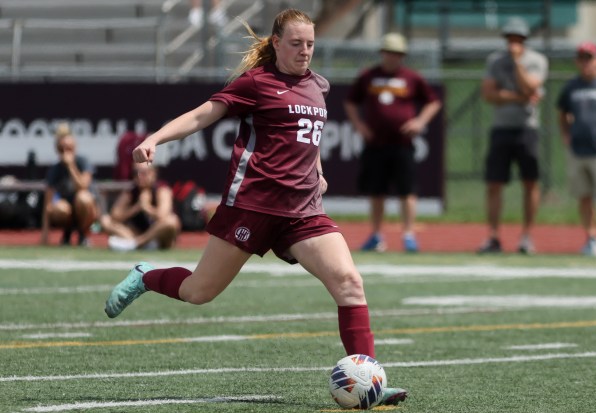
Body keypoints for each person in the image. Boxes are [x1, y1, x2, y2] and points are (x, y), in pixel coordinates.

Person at [104, 9, 407, 406]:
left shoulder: (319, 85)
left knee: (349, 283)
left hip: (303, 211)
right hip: (252, 206)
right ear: (276, 43)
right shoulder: (257, 83)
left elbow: (305, 139)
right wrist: (156, 139)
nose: (304, 52)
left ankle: (370, 381)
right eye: (296, 44)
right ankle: (146, 275)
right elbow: (201, 115)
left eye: (311, 44)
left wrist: (318, 169)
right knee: (199, 291)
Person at [344, 32, 442, 252]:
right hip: (375, 144)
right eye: (389, 52)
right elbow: (351, 101)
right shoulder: (368, 76)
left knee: (407, 191)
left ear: (402, 55)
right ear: (382, 53)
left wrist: (419, 122)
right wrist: (359, 125)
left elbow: (433, 102)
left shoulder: (411, 78)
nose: (392, 57)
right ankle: (377, 235)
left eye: (397, 53)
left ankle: (408, 235)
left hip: (402, 145)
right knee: (376, 191)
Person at [478, 17, 548, 254]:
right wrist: (519, 98)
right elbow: (489, 94)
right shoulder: (495, 61)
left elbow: (531, 87)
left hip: (527, 128)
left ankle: (527, 236)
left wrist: (518, 63)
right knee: (494, 183)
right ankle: (493, 236)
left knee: (530, 182)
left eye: (517, 39)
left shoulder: (536, 60)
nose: (512, 43)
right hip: (501, 128)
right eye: (509, 38)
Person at [557, 41, 596, 256]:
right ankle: (592, 239)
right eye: (582, 58)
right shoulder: (572, 86)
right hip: (578, 150)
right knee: (584, 197)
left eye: (589, 58)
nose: (586, 63)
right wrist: (565, 133)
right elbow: (562, 112)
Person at [40, 123, 99, 246]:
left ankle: (84, 235)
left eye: (69, 148)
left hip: (87, 211)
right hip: (69, 212)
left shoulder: (83, 162)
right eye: (62, 149)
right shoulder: (55, 169)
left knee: (83, 198)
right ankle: (67, 234)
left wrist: (71, 166)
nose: (66, 153)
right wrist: (45, 235)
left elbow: (83, 186)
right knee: (58, 208)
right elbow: (48, 203)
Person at [100, 162, 181, 251]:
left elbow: (162, 216)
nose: (139, 176)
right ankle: (139, 243)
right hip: (136, 233)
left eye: (143, 172)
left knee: (172, 221)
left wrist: (147, 207)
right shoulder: (131, 192)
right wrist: (136, 208)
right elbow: (115, 215)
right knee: (105, 220)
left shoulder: (161, 190)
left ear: (153, 173)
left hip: (159, 237)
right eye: (135, 173)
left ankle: (137, 243)